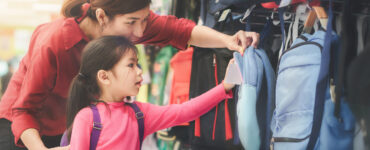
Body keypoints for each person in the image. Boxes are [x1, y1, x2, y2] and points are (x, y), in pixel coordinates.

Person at [0, 0, 259, 149]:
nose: (140, 32)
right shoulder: (54, 42)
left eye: (144, 20)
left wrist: (229, 41)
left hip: (65, 125)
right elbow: (23, 111)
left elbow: (180, 30)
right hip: (22, 128)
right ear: (101, 16)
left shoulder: (126, 28)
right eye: (133, 22)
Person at [67, 36, 235, 150]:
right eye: (131, 65)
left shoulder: (139, 114)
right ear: (104, 76)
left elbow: (185, 111)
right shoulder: (87, 118)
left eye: (138, 64)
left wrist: (224, 87)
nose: (140, 72)